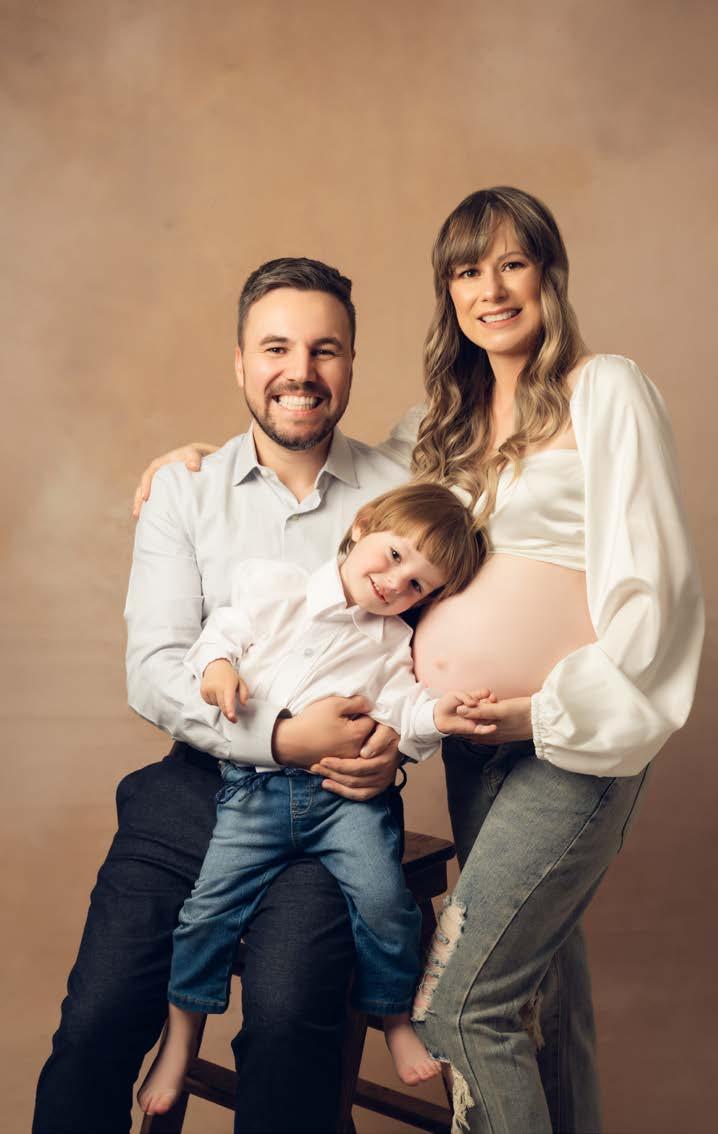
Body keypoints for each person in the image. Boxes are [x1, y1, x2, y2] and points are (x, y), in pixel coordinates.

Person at [137, 186, 704, 1134]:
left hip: (571, 736)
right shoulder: (439, 424)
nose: (492, 290)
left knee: (464, 1007)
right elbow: (344, 488)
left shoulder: (605, 390)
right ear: (449, 291)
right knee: (541, 994)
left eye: (513, 263)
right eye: (468, 271)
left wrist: (542, 711)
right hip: (475, 746)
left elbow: (661, 585)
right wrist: (203, 462)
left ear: (549, 274)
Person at [33, 258, 428, 1134]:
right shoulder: (185, 491)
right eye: (276, 348)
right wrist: (279, 737)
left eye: (326, 349)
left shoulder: (405, 486)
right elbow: (156, 667)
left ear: (353, 361)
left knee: (290, 1025)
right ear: (240, 362)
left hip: (334, 806)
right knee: (98, 1021)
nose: (301, 371)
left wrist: (397, 744)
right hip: (192, 791)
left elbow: (494, 408)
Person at [137, 481, 493, 1115]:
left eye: (417, 584)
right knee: (206, 913)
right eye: (394, 555)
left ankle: (394, 1016)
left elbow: (405, 711)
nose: (395, 582)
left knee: (385, 903)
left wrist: (437, 715)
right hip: (255, 792)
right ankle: (181, 1040)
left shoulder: (394, 644)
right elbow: (219, 634)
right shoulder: (277, 589)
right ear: (362, 525)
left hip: (343, 803)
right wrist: (218, 668)